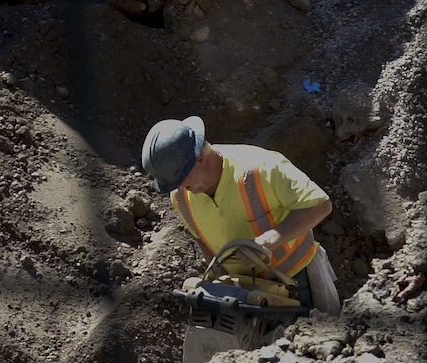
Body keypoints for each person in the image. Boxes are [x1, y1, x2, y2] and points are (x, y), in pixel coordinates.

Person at [141, 115, 341, 316]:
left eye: (181, 178)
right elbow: (201, 238)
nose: (179, 186)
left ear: (200, 160)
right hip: (242, 293)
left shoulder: (261, 168)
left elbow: (320, 205)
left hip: (297, 283)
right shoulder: (182, 197)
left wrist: (270, 240)